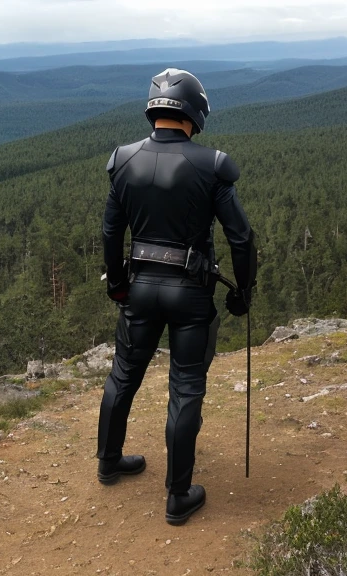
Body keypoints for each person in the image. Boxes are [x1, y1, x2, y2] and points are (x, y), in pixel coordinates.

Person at [97, 68, 257, 525]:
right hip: (191, 294)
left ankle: (108, 461)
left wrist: (117, 284)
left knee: (123, 375)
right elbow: (241, 238)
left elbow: (111, 230)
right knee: (185, 388)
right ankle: (178, 494)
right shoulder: (212, 165)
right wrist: (244, 292)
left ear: (155, 109)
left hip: (141, 288)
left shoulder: (122, 160)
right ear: (194, 111)